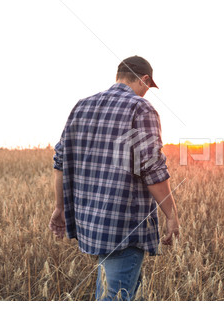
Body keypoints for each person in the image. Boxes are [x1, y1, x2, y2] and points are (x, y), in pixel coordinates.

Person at [49, 55, 180, 301]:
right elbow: (152, 168)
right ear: (144, 79)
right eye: (148, 88)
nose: (146, 94)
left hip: (93, 225)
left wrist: (60, 208)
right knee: (115, 299)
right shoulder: (140, 108)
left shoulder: (81, 106)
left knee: (119, 292)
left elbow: (61, 163)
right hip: (125, 226)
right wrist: (172, 216)